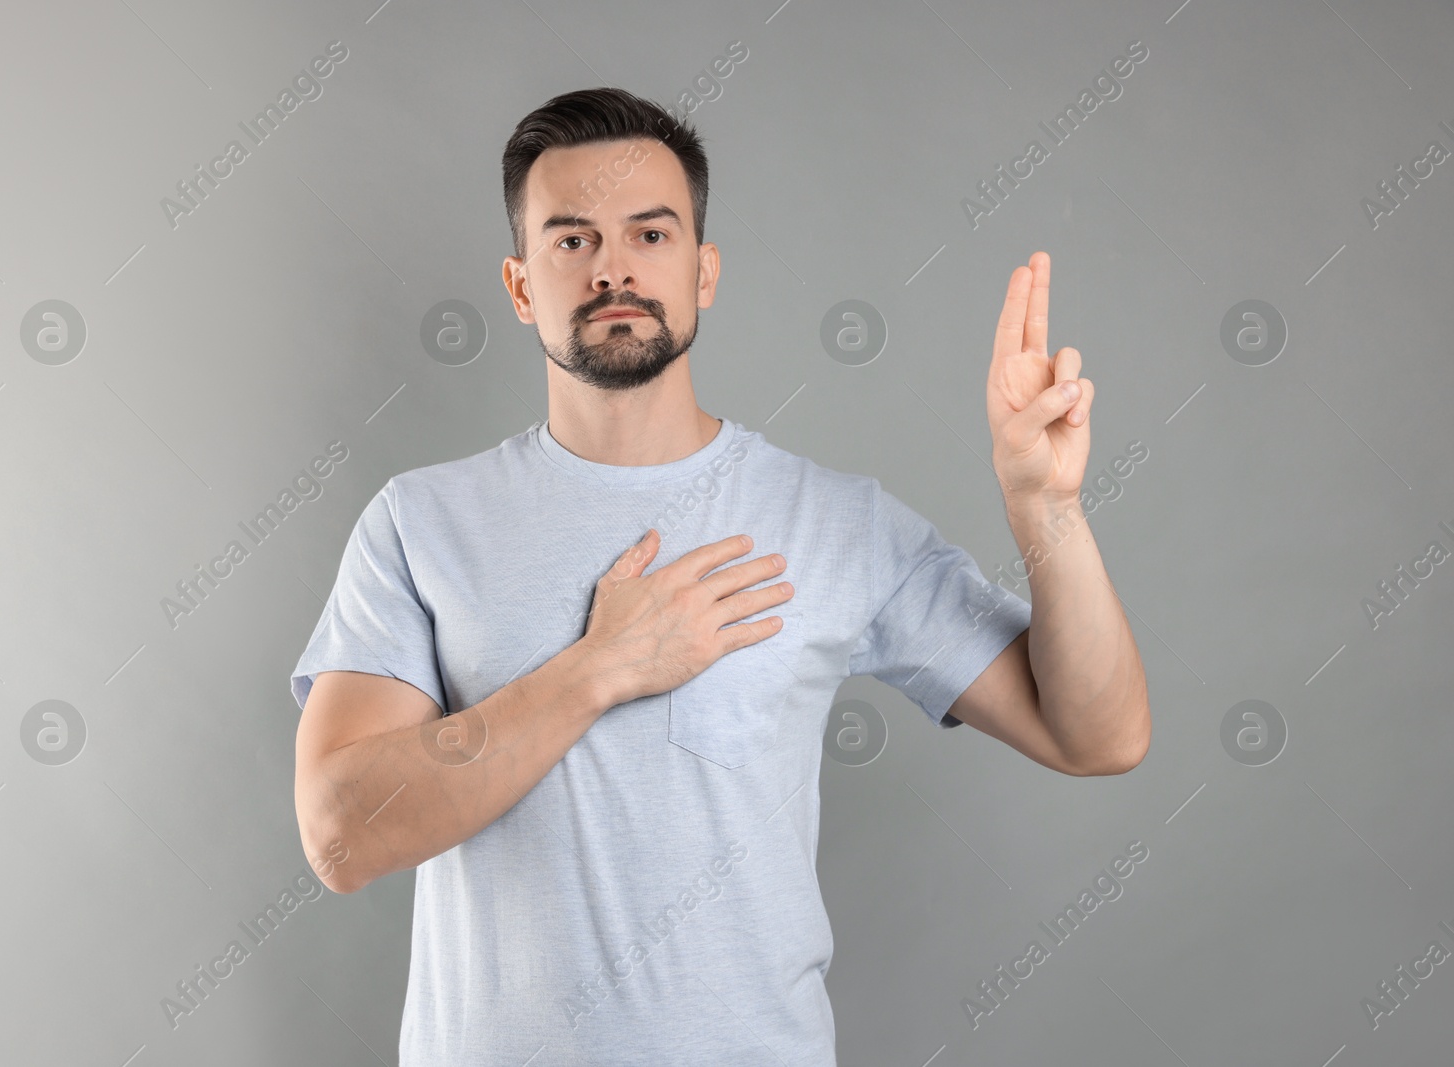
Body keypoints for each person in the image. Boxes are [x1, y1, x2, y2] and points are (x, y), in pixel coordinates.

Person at [290, 86, 1149, 1066]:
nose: (613, 265)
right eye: (571, 240)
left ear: (703, 272)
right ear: (521, 283)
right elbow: (341, 833)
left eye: (649, 234)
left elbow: (1101, 734)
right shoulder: (420, 521)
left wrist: (1045, 509)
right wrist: (599, 667)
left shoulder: (835, 521)